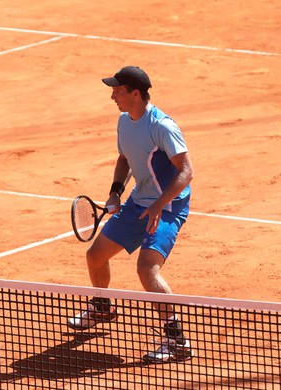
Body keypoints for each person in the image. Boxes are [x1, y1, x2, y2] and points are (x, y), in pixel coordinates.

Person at [66, 66, 195, 363]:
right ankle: (102, 307)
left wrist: (159, 205)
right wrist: (115, 191)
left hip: (168, 206)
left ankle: (176, 341)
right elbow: (124, 159)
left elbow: (187, 172)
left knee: (146, 269)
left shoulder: (161, 126)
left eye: (118, 91)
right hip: (140, 202)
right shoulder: (125, 122)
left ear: (136, 94)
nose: (113, 96)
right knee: (95, 255)